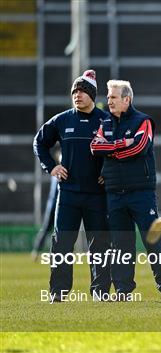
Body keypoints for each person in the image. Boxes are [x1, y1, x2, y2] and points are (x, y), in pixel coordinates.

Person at [90, 80, 161, 302]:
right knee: (121, 243)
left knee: (152, 239)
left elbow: (139, 147)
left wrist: (112, 150)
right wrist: (121, 145)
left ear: (126, 99)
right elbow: (95, 147)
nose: (109, 100)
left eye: (113, 97)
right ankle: (123, 291)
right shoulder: (105, 123)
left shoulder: (143, 121)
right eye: (108, 97)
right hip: (114, 193)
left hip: (141, 193)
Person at [33, 69, 111, 301]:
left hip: (97, 195)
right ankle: (58, 292)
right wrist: (51, 167)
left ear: (93, 96)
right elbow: (39, 142)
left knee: (99, 246)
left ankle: (100, 292)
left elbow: (120, 151)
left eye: (83, 91)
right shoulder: (62, 120)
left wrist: (109, 173)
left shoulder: (106, 121)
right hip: (67, 194)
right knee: (62, 244)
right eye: (75, 91)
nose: (77, 95)